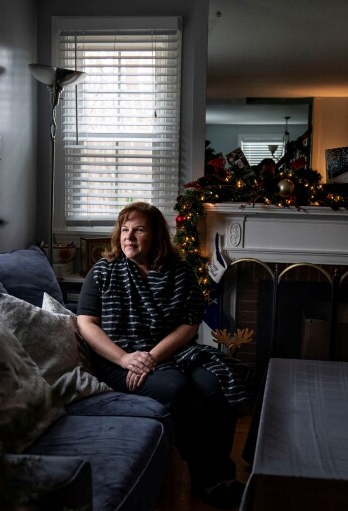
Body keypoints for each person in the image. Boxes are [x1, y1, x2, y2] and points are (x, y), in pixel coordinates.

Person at [76, 201, 248, 509]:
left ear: (156, 235)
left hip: (173, 353)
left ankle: (224, 472)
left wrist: (153, 356)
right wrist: (125, 359)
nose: (129, 237)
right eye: (125, 229)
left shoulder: (179, 272)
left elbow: (190, 324)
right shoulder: (103, 271)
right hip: (120, 358)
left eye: (139, 230)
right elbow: (86, 323)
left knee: (216, 386)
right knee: (177, 389)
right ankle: (206, 478)